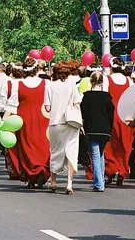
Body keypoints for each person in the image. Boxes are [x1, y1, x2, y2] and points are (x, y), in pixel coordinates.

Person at [4, 58, 51, 188]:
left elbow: (12, 105)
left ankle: (31, 175)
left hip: (23, 118)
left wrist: (4, 120)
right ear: (37, 69)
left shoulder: (17, 85)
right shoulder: (46, 82)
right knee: (43, 143)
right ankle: (42, 168)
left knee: (26, 146)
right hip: (43, 117)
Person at [46, 60, 82, 194]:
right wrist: (81, 121)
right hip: (71, 122)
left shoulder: (49, 85)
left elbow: (48, 107)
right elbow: (77, 103)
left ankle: (54, 182)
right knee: (71, 152)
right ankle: (69, 184)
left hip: (56, 122)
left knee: (55, 151)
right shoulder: (72, 84)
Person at [81, 71, 114, 192]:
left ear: (91, 81)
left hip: (91, 129)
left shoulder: (87, 96)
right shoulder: (107, 97)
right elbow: (111, 114)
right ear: (102, 82)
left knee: (95, 155)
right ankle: (100, 180)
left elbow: (83, 113)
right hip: (104, 129)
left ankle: (99, 183)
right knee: (100, 154)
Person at [104, 58, 133, 185]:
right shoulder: (128, 80)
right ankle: (123, 170)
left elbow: (104, 96)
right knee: (125, 143)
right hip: (125, 113)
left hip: (111, 112)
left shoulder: (107, 79)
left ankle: (111, 170)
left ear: (111, 67)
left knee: (110, 144)